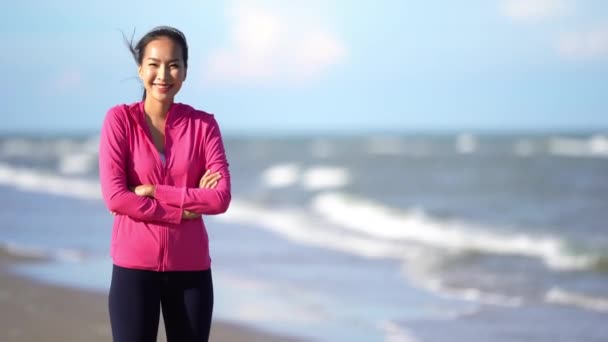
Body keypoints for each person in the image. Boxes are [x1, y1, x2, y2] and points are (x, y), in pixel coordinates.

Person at [98, 26, 231, 342]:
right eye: (154, 64)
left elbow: (220, 198)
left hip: (191, 269)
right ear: (140, 69)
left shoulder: (203, 125)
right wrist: (180, 210)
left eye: (174, 64)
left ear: (185, 71)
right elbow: (116, 197)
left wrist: (156, 191)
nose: (164, 74)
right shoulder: (120, 121)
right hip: (134, 268)